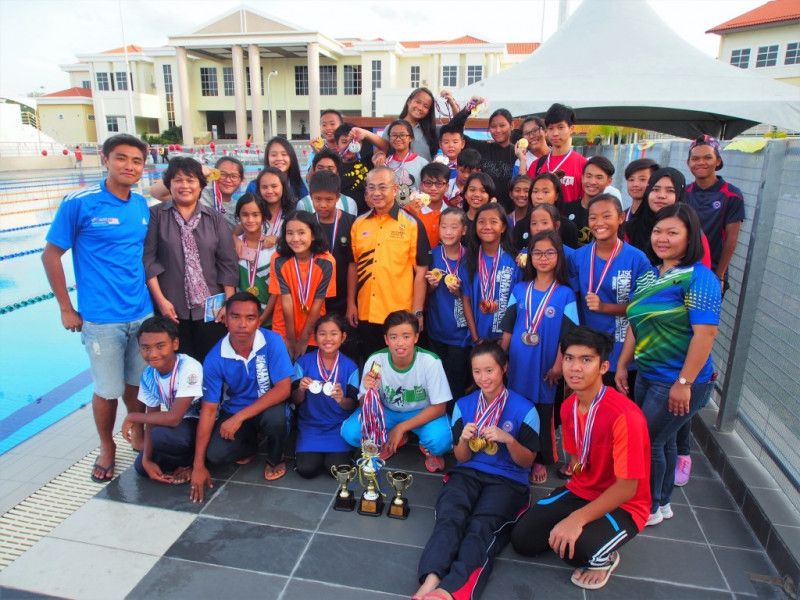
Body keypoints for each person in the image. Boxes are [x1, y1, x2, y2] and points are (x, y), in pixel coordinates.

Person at [42, 133, 152, 483]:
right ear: (105, 158)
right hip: (102, 318)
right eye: (121, 158)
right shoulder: (80, 203)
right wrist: (65, 307)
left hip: (142, 312)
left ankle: (138, 432)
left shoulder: (139, 205)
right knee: (107, 390)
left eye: (136, 161)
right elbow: (51, 254)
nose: (129, 166)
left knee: (136, 385)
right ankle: (107, 446)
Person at [511, 327, 651, 591]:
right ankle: (574, 520)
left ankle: (606, 557)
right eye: (569, 358)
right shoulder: (568, 406)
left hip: (625, 503)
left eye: (586, 360)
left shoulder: (625, 416)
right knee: (523, 540)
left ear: (603, 366)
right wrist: (576, 477)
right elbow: (576, 461)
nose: (575, 367)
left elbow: (627, 487)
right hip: (582, 489)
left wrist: (577, 519)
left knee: (582, 551)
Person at [616, 203, 720, 526]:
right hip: (648, 374)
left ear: (690, 237)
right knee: (662, 440)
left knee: (649, 441)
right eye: (658, 231)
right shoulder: (652, 274)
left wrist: (684, 383)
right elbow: (637, 321)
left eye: (672, 232)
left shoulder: (699, 279)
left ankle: (650, 505)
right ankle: (661, 501)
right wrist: (622, 365)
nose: (662, 238)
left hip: (678, 381)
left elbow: (705, 335)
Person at [415, 343, 539, 600]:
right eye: (477, 371)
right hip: (468, 473)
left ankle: (452, 590)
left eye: (489, 370)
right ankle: (431, 579)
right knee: (450, 517)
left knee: (481, 525)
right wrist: (462, 440)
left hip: (507, 480)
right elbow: (461, 458)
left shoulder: (525, 409)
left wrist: (509, 440)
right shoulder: (463, 405)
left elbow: (527, 462)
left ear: (504, 369)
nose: (484, 378)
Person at [191, 292, 295, 501]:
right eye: (235, 317)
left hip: (268, 406)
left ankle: (276, 457)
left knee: (276, 419)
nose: (242, 324)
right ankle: (250, 445)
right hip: (235, 410)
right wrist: (198, 465)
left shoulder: (272, 341)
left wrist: (239, 418)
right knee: (216, 455)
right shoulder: (215, 357)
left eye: (250, 318)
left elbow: (284, 389)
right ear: (225, 319)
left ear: (258, 320)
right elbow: (209, 410)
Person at [501, 231, 578, 484]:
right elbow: (509, 328)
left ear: (559, 256)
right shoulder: (520, 289)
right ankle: (516, 451)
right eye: (537, 253)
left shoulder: (566, 294)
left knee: (544, 412)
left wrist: (558, 365)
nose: (543, 258)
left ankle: (539, 459)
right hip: (518, 363)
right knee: (516, 407)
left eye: (549, 252)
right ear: (529, 257)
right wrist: (502, 359)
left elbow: (567, 336)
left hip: (546, 365)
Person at [144, 157, 238, 363]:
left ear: (201, 186)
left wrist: (228, 303)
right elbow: (148, 260)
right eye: (178, 180)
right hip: (171, 307)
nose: (185, 185)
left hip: (211, 310)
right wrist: (161, 301)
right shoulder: (156, 216)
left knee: (211, 366)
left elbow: (227, 262)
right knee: (179, 366)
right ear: (170, 184)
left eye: (191, 180)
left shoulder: (213, 218)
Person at [340, 310, 453, 472]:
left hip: (421, 412)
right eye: (393, 337)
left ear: (416, 337)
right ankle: (391, 438)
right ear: (386, 339)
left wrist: (401, 427)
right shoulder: (376, 361)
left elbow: (439, 407)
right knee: (351, 434)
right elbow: (364, 405)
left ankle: (422, 444)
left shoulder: (430, 362)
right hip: (387, 411)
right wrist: (370, 392)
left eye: (406, 336)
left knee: (441, 442)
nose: (400, 343)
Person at [347, 167, 431, 361]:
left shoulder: (411, 224)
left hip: (399, 314)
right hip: (366, 310)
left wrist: (417, 311)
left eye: (382, 187)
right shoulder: (359, 224)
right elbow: (353, 265)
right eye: (371, 188)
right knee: (371, 365)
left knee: (399, 365)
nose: (376, 193)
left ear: (394, 189)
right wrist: (351, 303)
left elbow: (421, 271)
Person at [568, 194, 651, 390]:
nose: (599, 223)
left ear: (621, 217)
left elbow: (643, 309)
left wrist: (605, 307)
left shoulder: (638, 259)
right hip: (587, 349)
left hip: (622, 351)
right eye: (593, 217)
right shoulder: (578, 257)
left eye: (606, 216)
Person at [123, 316, 202, 484]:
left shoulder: (189, 368)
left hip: (204, 424)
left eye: (160, 346)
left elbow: (173, 418)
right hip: (181, 425)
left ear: (175, 344)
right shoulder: (149, 375)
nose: (152, 354)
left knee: (162, 436)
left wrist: (132, 417)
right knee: (141, 467)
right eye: (145, 348)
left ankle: (190, 463)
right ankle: (179, 460)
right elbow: (152, 419)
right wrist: (146, 459)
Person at [291, 314, 359, 478]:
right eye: (322, 334)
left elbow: (352, 405)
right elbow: (294, 400)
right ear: (315, 336)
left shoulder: (350, 366)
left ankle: (347, 451)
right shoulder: (303, 363)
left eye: (334, 334)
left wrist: (341, 399)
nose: (328, 338)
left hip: (337, 426)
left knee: (335, 469)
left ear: (343, 337)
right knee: (307, 469)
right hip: (310, 426)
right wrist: (300, 390)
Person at [269, 211, 336, 360]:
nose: (295, 239)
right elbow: (286, 302)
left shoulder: (326, 262)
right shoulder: (278, 259)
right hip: (284, 328)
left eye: (301, 233)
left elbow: (318, 303)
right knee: (284, 375)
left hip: (313, 328)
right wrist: (291, 339)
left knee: (307, 377)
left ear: (312, 235)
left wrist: (304, 339)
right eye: (290, 233)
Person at [685, 134, 745, 291]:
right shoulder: (684, 193)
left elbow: (731, 240)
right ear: (688, 162)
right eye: (695, 158)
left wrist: (719, 276)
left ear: (718, 161)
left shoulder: (732, 195)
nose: (700, 163)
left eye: (707, 157)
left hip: (713, 271)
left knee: (704, 316)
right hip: (683, 271)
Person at [425, 207, 472, 401]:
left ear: (464, 230)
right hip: (436, 331)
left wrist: (460, 292)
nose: (448, 232)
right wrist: (431, 287)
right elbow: (421, 294)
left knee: (455, 383)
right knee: (435, 383)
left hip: (461, 336)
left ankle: (455, 424)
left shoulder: (471, 257)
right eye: (444, 227)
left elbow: (475, 294)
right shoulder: (431, 256)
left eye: (454, 227)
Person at [625, 167, 712, 269]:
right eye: (655, 189)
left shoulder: (692, 231)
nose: (661, 196)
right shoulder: (630, 227)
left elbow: (704, 270)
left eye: (670, 190)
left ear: (679, 194)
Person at [448, 96, 518, 212]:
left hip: (507, 215)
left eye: (502, 125)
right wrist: (469, 108)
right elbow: (454, 129)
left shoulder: (518, 153)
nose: (498, 130)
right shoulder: (482, 148)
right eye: (493, 126)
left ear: (511, 126)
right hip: (478, 212)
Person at [463, 203, 520, 344]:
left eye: (493, 222)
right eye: (481, 222)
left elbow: (518, 304)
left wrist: (506, 341)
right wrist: (476, 338)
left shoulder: (514, 262)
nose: (487, 226)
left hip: (505, 340)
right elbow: (466, 301)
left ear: (503, 227)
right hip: (477, 339)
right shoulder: (468, 260)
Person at [307, 170, 355, 320]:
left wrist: (351, 303)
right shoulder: (305, 223)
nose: (322, 205)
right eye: (317, 199)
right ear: (310, 197)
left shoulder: (351, 222)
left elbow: (353, 265)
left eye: (329, 199)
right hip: (311, 297)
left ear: (338, 197)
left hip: (341, 299)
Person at [150, 156, 245, 231]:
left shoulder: (240, 207)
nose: (228, 180)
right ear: (214, 174)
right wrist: (196, 172)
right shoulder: (197, 194)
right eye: (223, 174)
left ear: (241, 180)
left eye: (234, 176)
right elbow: (156, 192)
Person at [528, 103, 587, 205]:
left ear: (571, 129)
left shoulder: (583, 165)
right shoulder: (536, 165)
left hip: (571, 220)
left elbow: (586, 203)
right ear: (546, 131)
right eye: (551, 128)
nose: (555, 133)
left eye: (560, 127)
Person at [374, 87, 455, 161]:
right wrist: (379, 156)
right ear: (409, 102)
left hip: (425, 176)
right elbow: (382, 150)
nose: (420, 108)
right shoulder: (392, 128)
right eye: (418, 102)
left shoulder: (432, 130)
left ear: (428, 111)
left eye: (426, 106)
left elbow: (456, 126)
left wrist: (452, 102)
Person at [512, 173, 579, 251]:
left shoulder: (568, 227)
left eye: (545, 192)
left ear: (556, 195)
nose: (539, 197)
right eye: (535, 191)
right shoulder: (520, 226)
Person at [234, 193, 275, 322]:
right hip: (241, 318)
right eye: (245, 215)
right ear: (238, 217)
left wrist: (263, 318)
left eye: (255, 215)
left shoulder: (273, 247)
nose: (250, 220)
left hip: (269, 318)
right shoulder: (234, 246)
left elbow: (276, 291)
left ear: (263, 217)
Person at [563, 156, 616, 246]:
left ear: (609, 181)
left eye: (599, 177)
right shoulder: (565, 209)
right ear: (582, 177)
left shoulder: (612, 215)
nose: (592, 182)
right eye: (589, 176)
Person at [295, 149, 358, 216]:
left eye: (330, 169)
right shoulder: (303, 204)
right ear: (314, 170)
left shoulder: (349, 203)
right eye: (320, 168)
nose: (324, 172)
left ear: (337, 172)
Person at [407, 161, 452, 249]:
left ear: (447, 187)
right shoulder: (408, 210)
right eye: (428, 183)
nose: (433, 188)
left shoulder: (451, 213)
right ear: (421, 185)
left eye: (439, 184)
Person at [380, 119, 429, 194]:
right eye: (394, 135)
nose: (398, 139)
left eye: (402, 135)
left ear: (410, 138)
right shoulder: (385, 163)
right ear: (389, 138)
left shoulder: (423, 164)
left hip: (416, 205)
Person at [334, 123, 370, 213]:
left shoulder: (368, 162)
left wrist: (364, 133)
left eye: (354, 142)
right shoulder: (333, 166)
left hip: (364, 217)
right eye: (344, 142)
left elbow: (384, 145)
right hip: (342, 217)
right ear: (337, 146)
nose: (350, 146)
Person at [623, 158, 659, 223]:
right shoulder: (622, 217)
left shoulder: (658, 219)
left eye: (642, 179)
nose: (635, 184)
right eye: (631, 179)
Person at [462, 172, 496, 237]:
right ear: (465, 194)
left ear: (490, 196)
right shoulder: (457, 220)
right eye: (472, 190)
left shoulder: (495, 223)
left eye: (483, 191)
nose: (477, 194)